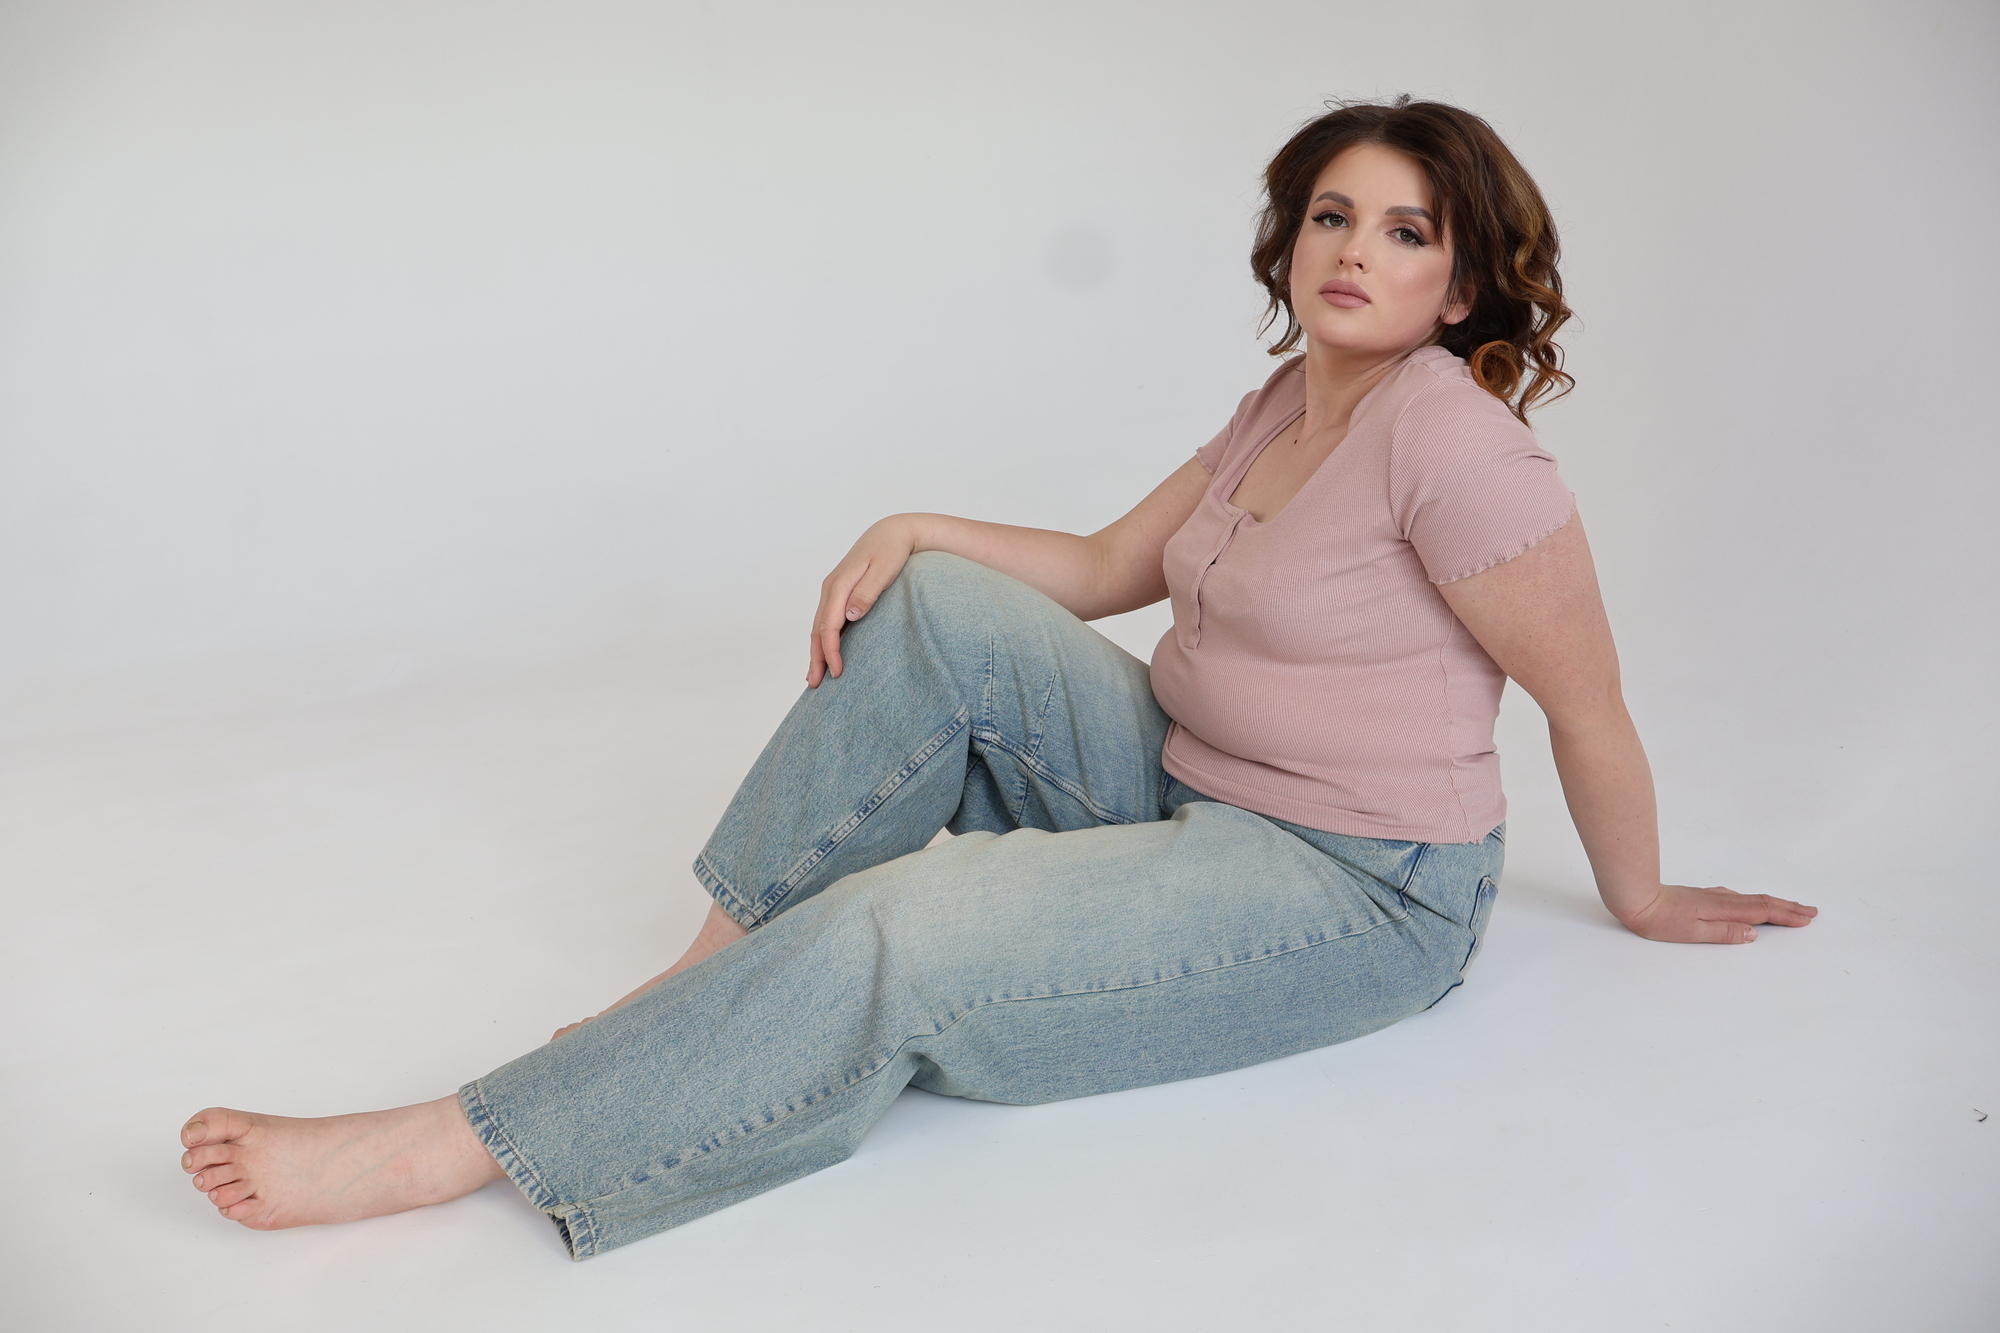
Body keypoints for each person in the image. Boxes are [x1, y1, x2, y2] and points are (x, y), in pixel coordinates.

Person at [174, 94, 1819, 1261]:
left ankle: (458, 1140)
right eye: (1333, 214)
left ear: (1458, 288)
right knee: (942, 612)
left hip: (1354, 884)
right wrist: (911, 527)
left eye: (1405, 233)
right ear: (1289, 237)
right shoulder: (1285, 402)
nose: (1353, 250)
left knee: (909, 925)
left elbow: (1586, 702)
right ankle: (688, 997)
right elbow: (1106, 568)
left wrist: (1640, 892)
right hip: (1189, 774)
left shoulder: (1462, 451)